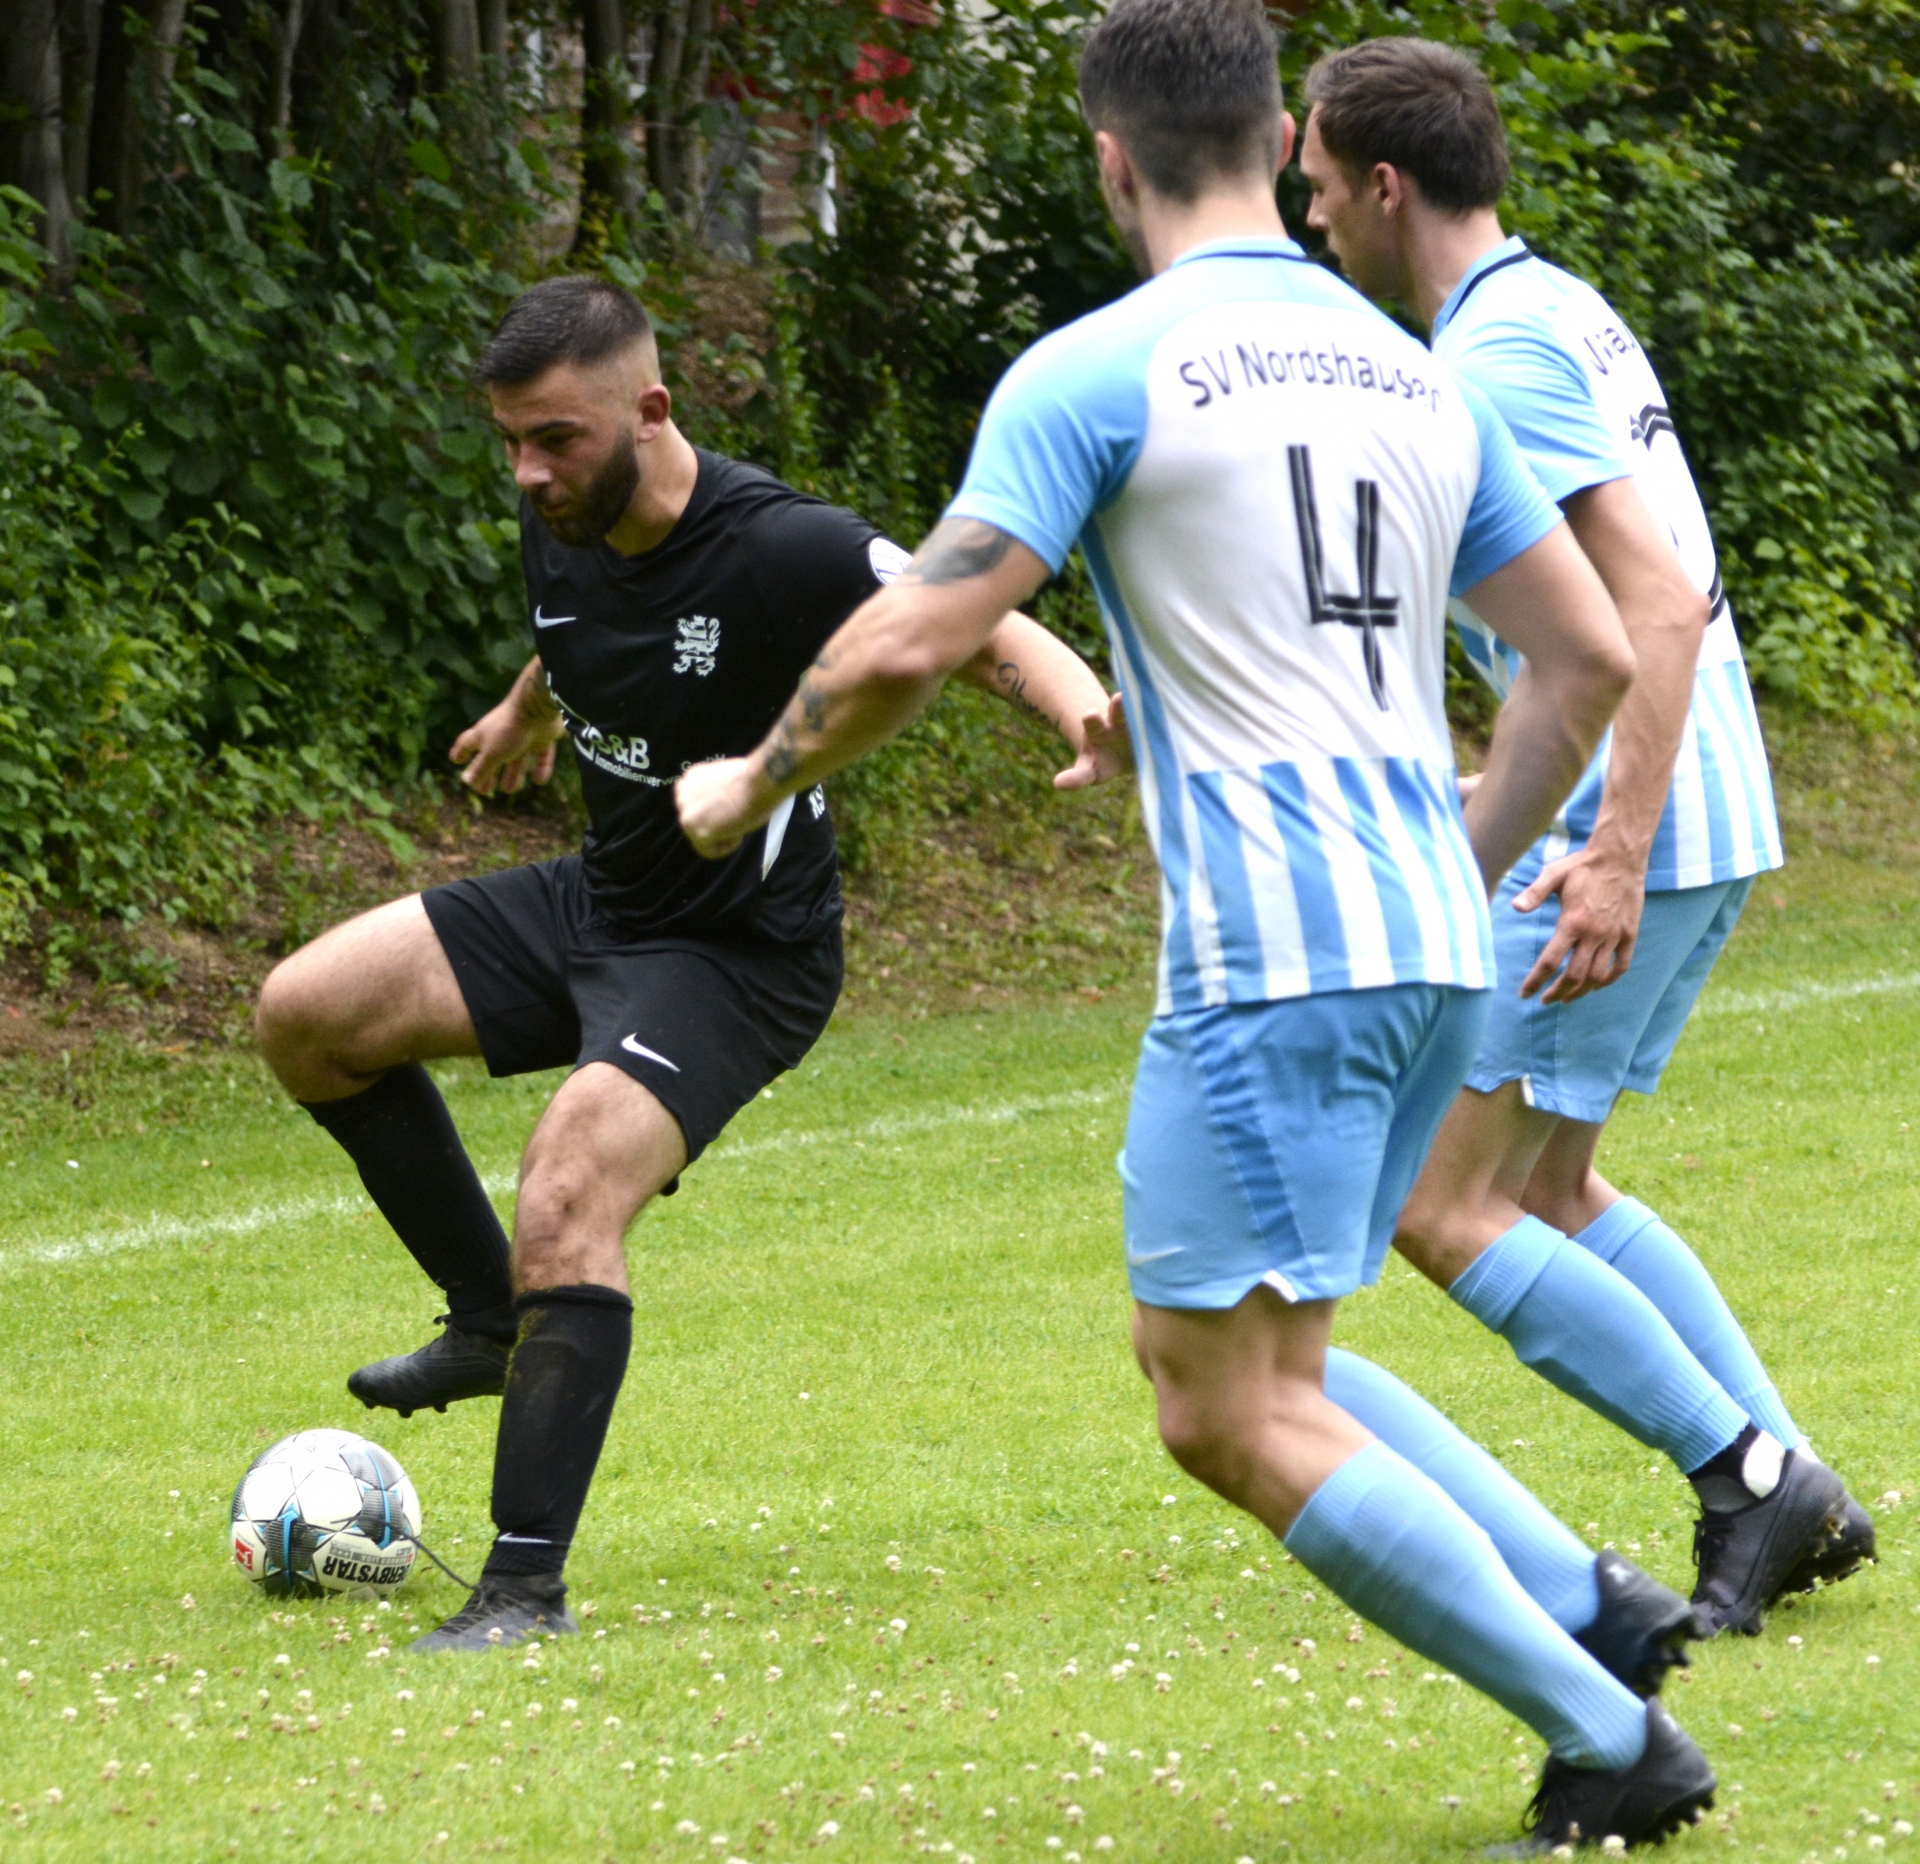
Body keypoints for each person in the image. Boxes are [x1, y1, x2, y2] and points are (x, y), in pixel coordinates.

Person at [677, 0, 1722, 1846]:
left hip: (1275, 960)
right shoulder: (1413, 371)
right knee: (1279, 1363)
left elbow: (915, 633)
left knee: (1218, 1402)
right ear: (1276, 146)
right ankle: (1591, 1599)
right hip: (1429, 942)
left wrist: (744, 786)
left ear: (1112, 158)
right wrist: (1458, 858)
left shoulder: (1104, 367)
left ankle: (1608, 1736)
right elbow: (1586, 654)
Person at [253, 275, 1124, 1652]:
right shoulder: (564, 510)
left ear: (651, 410)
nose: (529, 471)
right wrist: (529, 709)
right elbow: (585, 624)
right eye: (512, 442)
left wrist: (1079, 709)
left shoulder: (779, 545)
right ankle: (490, 1318)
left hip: (738, 954)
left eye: (557, 439)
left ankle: (521, 1590)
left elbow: (971, 613)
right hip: (604, 899)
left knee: (567, 1186)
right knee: (305, 1013)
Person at [1297, 35, 1871, 1640]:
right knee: (1551, 1188)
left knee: (1440, 1204)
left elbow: (1656, 607)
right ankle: (1790, 1479)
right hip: (1699, 803)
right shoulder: (1551, 304)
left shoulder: (1496, 356)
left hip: (1638, 822)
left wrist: (1612, 850)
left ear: (1386, 184)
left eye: (1322, 187)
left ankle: (1746, 1474)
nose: (1313, 217)